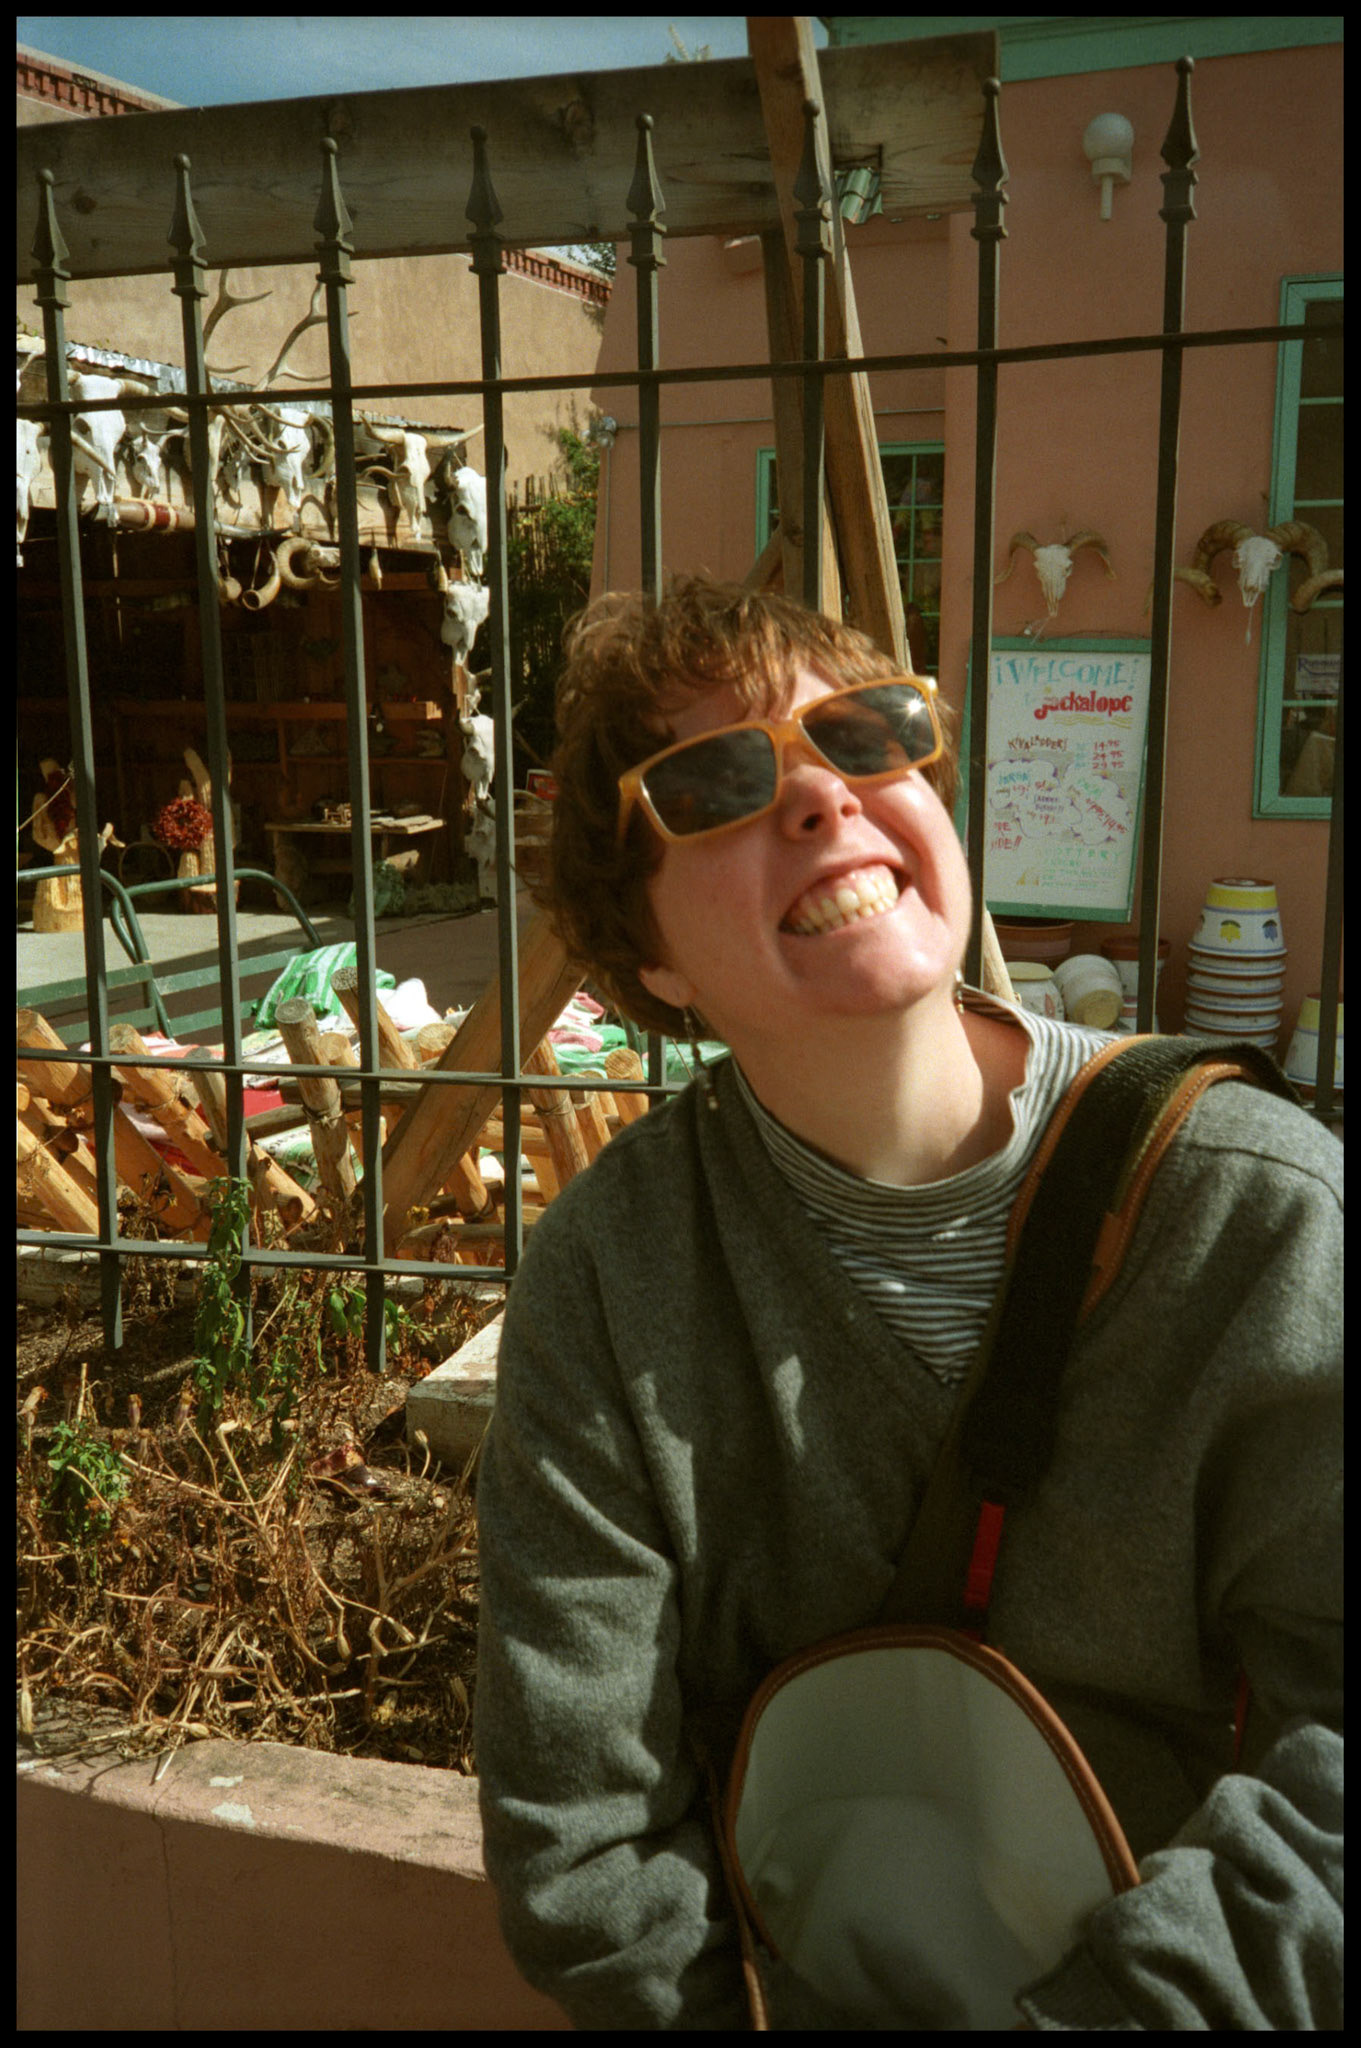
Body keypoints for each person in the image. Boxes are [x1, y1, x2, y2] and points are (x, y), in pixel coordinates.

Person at [474, 574, 1342, 2029]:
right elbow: (581, 1835)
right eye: (719, 783)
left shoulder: (1256, 1210)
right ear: (652, 963)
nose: (821, 799)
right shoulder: (615, 1280)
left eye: (863, 735)